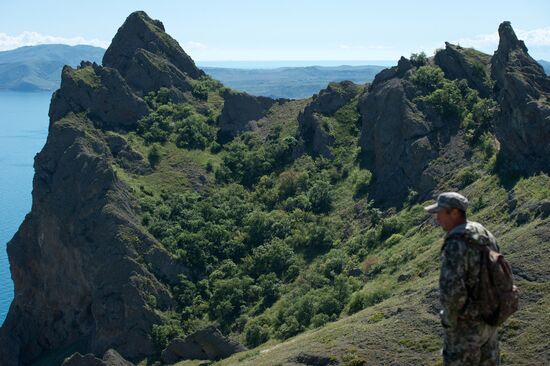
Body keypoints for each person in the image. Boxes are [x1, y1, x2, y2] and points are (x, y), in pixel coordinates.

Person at [425, 192, 500, 366]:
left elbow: (453, 291)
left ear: (454, 213)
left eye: (440, 213)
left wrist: (449, 321)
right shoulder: (485, 235)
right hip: (489, 322)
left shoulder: (455, 242)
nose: (437, 218)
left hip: (465, 329)